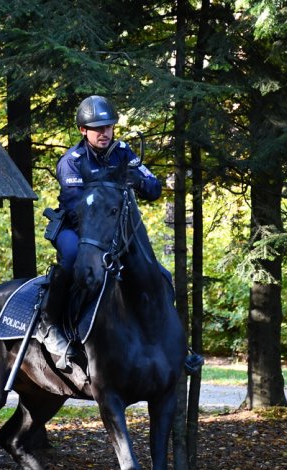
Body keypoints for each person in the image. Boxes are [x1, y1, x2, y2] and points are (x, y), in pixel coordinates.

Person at [36, 95, 203, 374]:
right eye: (97, 128)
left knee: (160, 274)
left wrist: (140, 179)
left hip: (115, 230)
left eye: (108, 127)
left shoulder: (123, 152)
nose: (104, 132)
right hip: (78, 229)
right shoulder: (72, 161)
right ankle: (50, 323)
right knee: (73, 259)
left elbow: (153, 188)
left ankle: (170, 342)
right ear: (83, 131)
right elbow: (78, 208)